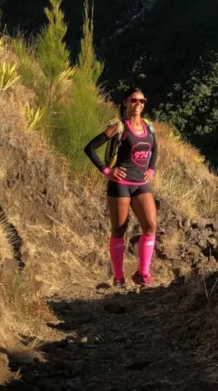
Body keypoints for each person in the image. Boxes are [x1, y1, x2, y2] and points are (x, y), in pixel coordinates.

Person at [83, 88, 158, 287]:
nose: (138, 104)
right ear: (125, 103)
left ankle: (143, 274)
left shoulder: (148, 127)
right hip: (120, 185)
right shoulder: (119, 127)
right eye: (133, 100)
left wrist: (151, 170)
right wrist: (107, 171)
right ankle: (118, 277)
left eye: (142, 101)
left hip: (141, 184)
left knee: (150, 226)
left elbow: (154, 148)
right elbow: (90, 148)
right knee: (119, 230)